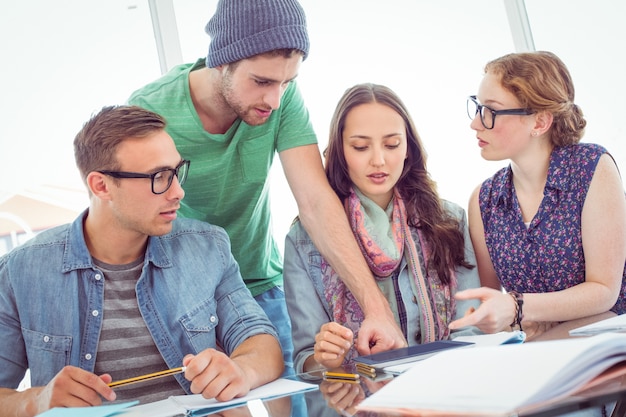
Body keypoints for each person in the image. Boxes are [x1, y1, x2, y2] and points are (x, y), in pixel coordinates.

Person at [127, 0, 406, 375]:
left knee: (297, 399)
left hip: (260, 283)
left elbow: (315, 201)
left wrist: (377, 310)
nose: (274, 99)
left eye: (286, 82)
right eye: (262, 81)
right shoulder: (150, 109)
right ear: (222, 61)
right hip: (181, 295)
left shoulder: (283, 100)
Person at [0, 105, 283, 416]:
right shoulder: (22, 271)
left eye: (176, 172)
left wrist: (241, 370)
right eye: (159, 177)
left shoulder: (207, 247)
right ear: (101, 185)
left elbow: (262, 343)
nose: (178, 191)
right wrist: (35, 401)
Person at [284, 83, 482, 376]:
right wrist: (327, 359)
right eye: (360, 147)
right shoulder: (304, 239)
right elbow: (305, 361)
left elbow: (472, 329)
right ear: (339, 151)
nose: (378, 160)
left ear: (408, 150)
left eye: (391, 144)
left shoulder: (450, 219)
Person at [449, 51, 626, 341]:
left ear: (540, 122)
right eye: (478, 107)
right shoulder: (483, 200)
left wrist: (520, 308)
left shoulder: (591, 167)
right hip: (538, 350)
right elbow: (493, 305)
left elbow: (605, 291)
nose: (476, 123)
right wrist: (507, 321)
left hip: (608, 346)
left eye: (491, 111)